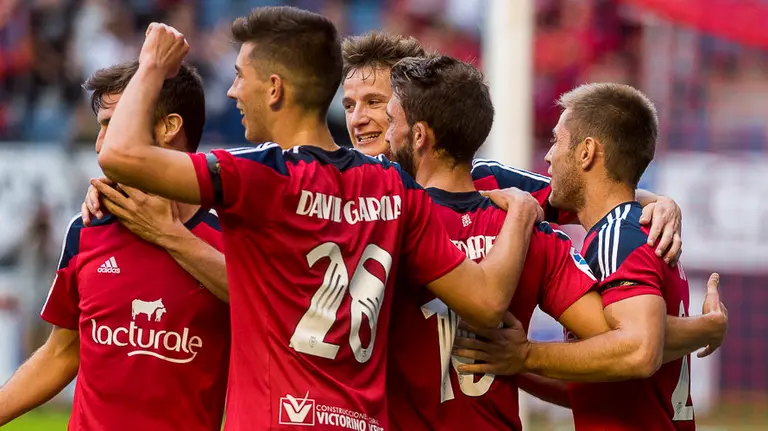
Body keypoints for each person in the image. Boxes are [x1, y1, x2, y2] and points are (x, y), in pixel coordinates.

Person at [94, 7, 541, 430]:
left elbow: (119, 154)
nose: (232, 92)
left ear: (274, 88)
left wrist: (152, 64)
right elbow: (486, 303)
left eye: (238, 77)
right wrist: (520, 214)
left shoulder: (258, 175)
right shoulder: (392, 186)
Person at [384, 55, 728, 431]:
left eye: (556, 141)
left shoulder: (618, 235)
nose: (548, 155)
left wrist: (526, 354)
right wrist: (513, 362)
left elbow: (637, 349)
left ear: (586, 152)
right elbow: (593, 377)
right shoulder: (631, 228)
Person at [0, 61, 231, 430]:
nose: (100, 143)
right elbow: (62, 352)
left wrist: (170, 234)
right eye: (100, 126)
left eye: (114, 124)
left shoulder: (232, 237)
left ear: (169, 127)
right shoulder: (88, 227)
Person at [341, 31, 683, 264]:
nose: (357, 119)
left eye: (374, 102)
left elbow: (596, 192)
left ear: (412, 108)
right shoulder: (333, 192)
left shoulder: (487, 183)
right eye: (348, 105)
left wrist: (662, 204)